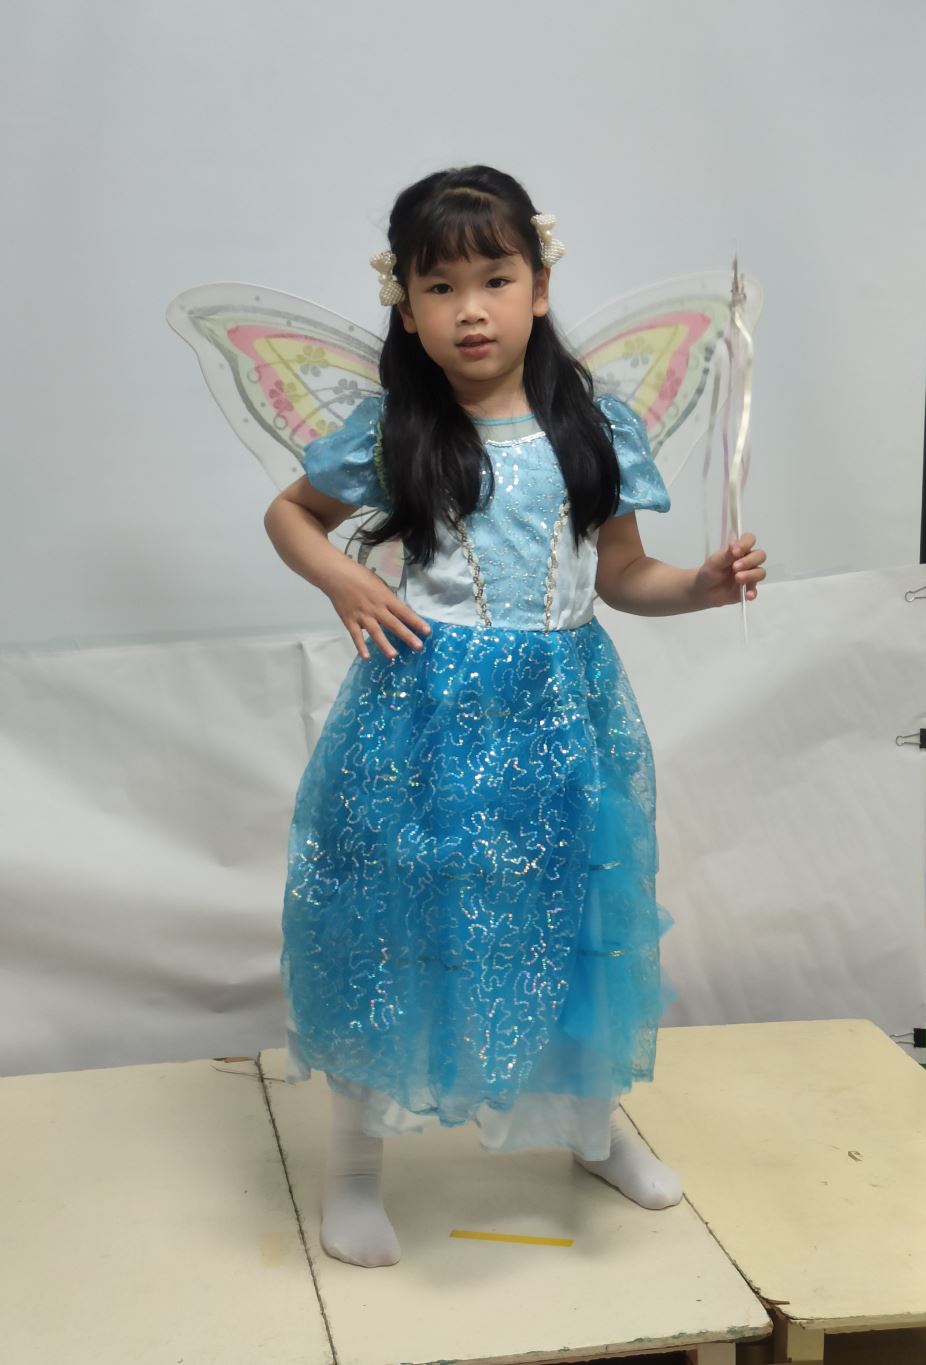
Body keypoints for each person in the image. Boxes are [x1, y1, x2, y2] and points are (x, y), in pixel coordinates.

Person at [263, 165, 767, 1269]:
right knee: (395, 929)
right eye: (439, 287)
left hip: (561, 718)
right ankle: (353, 1169)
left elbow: (622, 574)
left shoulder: (595, 427)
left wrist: (700, 586)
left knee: (567, 924)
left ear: (540, 287)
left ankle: (589, 1128)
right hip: (423, 717)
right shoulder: (396, 428)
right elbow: (291, 514)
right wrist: (344, 580)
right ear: (405, 306)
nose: (471, 309)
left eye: (496, 279)